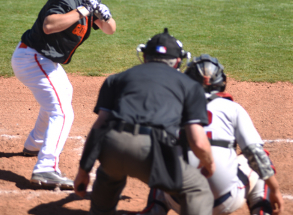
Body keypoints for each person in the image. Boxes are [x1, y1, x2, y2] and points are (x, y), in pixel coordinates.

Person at [74, 28, 215, 215]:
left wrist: (83, 171)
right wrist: (210, 164)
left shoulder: (117, 79)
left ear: (145, 56)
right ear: (178, 61)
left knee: (109, 174)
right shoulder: (189, 85)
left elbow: (99, 127)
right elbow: (197, 141)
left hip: (112, 144)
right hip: (150, 150)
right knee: (197, 189)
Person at [11, 0, 116, 190]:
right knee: (63, 112)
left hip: (41, 59)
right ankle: (46, 168)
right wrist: (83, 11)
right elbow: (49, 26)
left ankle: (35, 143)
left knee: (63, 94)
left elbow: (110, 30)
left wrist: (103, 14)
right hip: (33, 58)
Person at [140, 54, 283, 215]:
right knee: (258, 159)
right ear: (221, 82)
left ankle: (154, 210)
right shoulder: (232, 108)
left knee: (165, 161)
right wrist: (275, 189)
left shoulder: (171, 107)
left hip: (180, 202)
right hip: (224, 200)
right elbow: (255, 153)